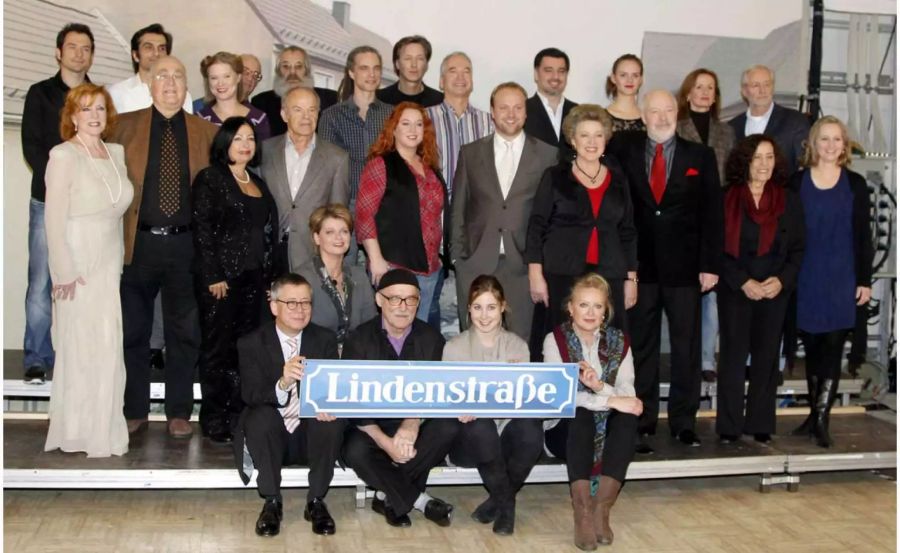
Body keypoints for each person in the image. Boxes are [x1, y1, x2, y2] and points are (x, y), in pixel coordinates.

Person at [606, 90, 723, 452]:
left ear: (678, 112)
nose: (660, 117)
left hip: (686, 270)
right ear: (642, 114)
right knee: (641, 346)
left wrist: (710, 265)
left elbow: (712, 214)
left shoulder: (699, 156)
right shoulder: (624, 148)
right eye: (654, 111)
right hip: (639, 268)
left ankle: (683, 423)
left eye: (667, 110)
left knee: (686, 348)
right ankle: (641, 420)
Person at [110, 56, 218, 439]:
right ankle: (134, 409)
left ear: (187, 86)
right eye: (162, 76)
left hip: (186, 245)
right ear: (149, 84)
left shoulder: (206, 132)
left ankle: (178, 412)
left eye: (177, 75)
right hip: (137, 244)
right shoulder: (122, 128)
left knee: (184, 333)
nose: (170, 82)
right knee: (134, 332)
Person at [43, 83, 133, 458]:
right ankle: (77, 430)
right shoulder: (63, 155)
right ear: (73, 116)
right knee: (79, 345)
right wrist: (63, 270)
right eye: (86, 109)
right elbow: (53, 218)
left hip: (109, 257)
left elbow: (118, 207)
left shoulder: (116, 152)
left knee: (107, 343)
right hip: (77, 258)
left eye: (99, 108)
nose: (94, 115)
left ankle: (103, 428)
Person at [341, 269, 460, 528]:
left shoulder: (431, 338)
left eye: (411, 300)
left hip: (413, 422)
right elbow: (350, 402)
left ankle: (386, 494)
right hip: (371, 427)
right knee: (354, 449)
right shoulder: (358, 339)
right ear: (379, 300)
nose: (403, 307)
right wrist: (385, 442)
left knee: (448, 426)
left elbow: (436, 391)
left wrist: (412, 422)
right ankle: (419, 500)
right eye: (395, 299)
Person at [233, 273, 345, 536]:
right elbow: (250, 394)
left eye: (305, 303)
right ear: (274, 306)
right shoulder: (251, 342)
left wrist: (327, 405)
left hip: (309, 436)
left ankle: (316, 501)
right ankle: (272, 501)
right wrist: (282, 383)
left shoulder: (324, 339)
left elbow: (333, 389)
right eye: (291, 303)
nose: (300, 310)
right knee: (259, 416)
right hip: (272, 437)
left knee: (330, 420)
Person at [192, 116, 279, 443]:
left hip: (256, 280)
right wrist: (213, 273)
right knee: (218, 350)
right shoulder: (210, 179)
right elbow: (202, 231)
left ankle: (237, 415)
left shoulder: (258, 181)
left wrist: (272, 279)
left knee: (246, 350)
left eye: (250, 139)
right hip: (222, 282)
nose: (245, 144)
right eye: (238, 138)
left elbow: (269, 232)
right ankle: (214, 418)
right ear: (224, 143)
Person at [526, 104, 638, 351]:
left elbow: (628, 231)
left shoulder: (619, 179)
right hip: (562, 274)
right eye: (584, 135)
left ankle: (606, 389)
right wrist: (535, 274)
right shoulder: (555, 176)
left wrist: (631, 278)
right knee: (561, 344)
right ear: (573, 140)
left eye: (598, 135)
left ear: (606, 140)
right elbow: (537, 226)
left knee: (609, 344)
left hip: (610, 274)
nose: (592, 141)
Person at [451, 82, 558, 341]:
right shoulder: (471, 153)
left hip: (523, 265)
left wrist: (541, 264)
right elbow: (458, 208)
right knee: (475, 343)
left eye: (518, 107)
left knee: (520, 342)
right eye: (504, 107)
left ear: (526, 112)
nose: (511, 114)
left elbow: (551, 215)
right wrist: (457, 258)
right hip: (475, 262)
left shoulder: (548, 155)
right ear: (492, 111)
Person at [543, 274, 643, 549]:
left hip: (606, 430)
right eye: (583, 305)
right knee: (582, 415)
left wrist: (599, 387)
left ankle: (602, 509)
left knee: (626, 420)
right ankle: (583, 511)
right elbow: (560, 398)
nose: (590, 312)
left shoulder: (620, 342)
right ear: (570, 308)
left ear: (605, 311)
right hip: (564, 432)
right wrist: (606, 400)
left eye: (597, 306)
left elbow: (629, 395)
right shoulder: (555, 341)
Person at [790, 116, 872, 447]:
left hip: (842, 276)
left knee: (833, 348)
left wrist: (864, 280)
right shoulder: (796, 183)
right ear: (813, 143)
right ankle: (814, 413)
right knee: (811, 348)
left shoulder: (856, 184)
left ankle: (822, 418)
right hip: (806, 276)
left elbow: (864, 237)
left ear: (845, 144)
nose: (830, 145)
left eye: (837, 139)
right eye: (824, 139)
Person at [717, 135, 804, 444]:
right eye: (757, 158)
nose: (764, 164)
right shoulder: (725, 197)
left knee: (767, 359)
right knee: (733, 358)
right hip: (736, 288)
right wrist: (743, 281)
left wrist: (780, 281)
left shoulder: (788, 199)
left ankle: (760, 423)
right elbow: (715, 247)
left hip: (774, 290)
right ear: (745, 162)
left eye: (769, 157)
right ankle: (728, 426)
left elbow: (798, 249)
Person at [21, 23, 95, 384]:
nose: (79, 53)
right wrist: (62, 185)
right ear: (58, 51)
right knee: (41, 281)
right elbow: (32, 148)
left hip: (86, 210)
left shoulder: (97, 98)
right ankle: (36, 357)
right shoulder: (39, 94)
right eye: (72, 46)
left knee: (82, 283)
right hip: (46, 202)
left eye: (86, 48)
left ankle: (75, 357)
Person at [442, 275, 542, 535]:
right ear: (468, 309)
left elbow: (523, 402)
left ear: (503, 307)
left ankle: (498, 499)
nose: (484, 316)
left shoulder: (518, 347)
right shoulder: (453, 348)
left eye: (491, 307)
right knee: (480, 425)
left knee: (531, 428)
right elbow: (447, 399)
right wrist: (460, 409)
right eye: (477, 307)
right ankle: (507, 506)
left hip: (504, 432)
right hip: (469, 439)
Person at [355, 102, 448, 321]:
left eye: (418, 125)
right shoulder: (380, 165)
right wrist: (375, 258)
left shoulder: (430, 168)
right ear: (393, 129)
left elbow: (434, 216)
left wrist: (439, 256)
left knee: (420, 339)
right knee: (395, 336)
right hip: (393, 266)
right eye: (405, 123)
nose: (413, 130)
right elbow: (364, 216)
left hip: (431, 269)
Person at [425, 51, 495, 330]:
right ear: (441, 81)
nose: (460, 76)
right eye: (453, 71)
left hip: (474, 221)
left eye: (466, 70)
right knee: (432, 301)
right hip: (432, 220)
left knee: (473, 295)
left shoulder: (488, 122)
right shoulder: (423, 120)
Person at [676, 68, 736, 383]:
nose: (703, 92)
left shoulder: (726, 133)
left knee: (711, 295)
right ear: (688, 92)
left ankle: (706, 359)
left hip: (716, 220)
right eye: (698, 87)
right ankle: (682, 357)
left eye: (710, 88)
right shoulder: (675, 128)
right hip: (682, 223)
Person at [261, 86, 349, 271]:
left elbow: (338, 213)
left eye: (312, 110)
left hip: (312, 253)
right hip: (267, 252)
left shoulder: (337, 158)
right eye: (298, 110)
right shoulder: (265, 151)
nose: (306, 117)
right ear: (284, 115)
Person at [318, 46, 392, 210]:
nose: (372, 74)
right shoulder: (332, 116)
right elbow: (326, 167)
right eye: (364, 68)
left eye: (376, 68)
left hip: (387, 204)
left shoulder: (393, 115)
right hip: (347, 204)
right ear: (351, 73)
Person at [295, 204, 376, 349]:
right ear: (317, 238)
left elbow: (370, 326)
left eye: (344, 231)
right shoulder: (302, 278)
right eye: (330, 232)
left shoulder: (359, 275)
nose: (338, 237)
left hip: (355, 358)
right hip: (316, 357)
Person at [729, 65, 810, 172]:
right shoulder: (732, 127)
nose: (762, 91)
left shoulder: (795, 122)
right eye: (756, 85)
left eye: (767, 85)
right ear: (744, 91)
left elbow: (805, 168)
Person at [251, 46, 338, 137]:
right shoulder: (261, 103)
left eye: (298, 66)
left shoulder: (330, 101)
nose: (292, 73)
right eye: (286, 66)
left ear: (307, 71)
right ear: (278, 71)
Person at [107, 23, 194, 114]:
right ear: (135, 55)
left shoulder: (181, 95)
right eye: (148, 47)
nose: (156, 53)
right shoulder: (117, 93)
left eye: (161, 48)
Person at [197, 52, 271, 141]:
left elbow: (263, 153)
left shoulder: (258, 119)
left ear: (238, 77)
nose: (220, 83)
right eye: (214, 78)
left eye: (227, 76)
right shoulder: (200, 118)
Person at [524, 48, 577, 150]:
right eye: (548, 70)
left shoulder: (578, 112)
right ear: (536, 74)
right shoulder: (521, 110)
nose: (555, 76)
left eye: (561, 71)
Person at [376, 35, 444, 107]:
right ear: (397, 64)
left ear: (426, 65)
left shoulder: (440, 102)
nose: (414, 64)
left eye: (420, 58)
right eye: (408, 58)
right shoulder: (379, 99)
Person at [605, 54, 645, 133]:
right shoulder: (601, 118)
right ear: (613, 78)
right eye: (623, 75)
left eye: (635, 75)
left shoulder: (649, 119)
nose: (629, 80)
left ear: (641, 80)